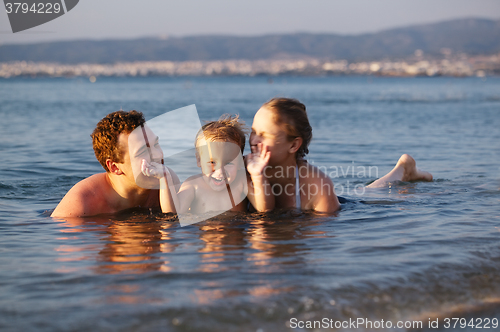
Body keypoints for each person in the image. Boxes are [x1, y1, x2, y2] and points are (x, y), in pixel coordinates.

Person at [247, 98, 433, 213]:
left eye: (264, 135)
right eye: (254, 131)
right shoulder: (245, 168)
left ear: (294, 145)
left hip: (342, 205)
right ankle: (401, 169)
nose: (254, 140)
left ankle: (403, 169)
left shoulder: (317, 185)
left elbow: (324, 235)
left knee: (372, 194)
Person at [51, 110, 179, 218]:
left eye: (156, 144)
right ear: (114, 167)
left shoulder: (166, 180)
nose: (158, 155)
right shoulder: (81, 204)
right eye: (143, 151)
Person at [141, 115, 266, 214]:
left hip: (234, 241)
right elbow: (173, 212)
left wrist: (258, 176)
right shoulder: (193, 185)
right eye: (212, 162)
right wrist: (164, 178)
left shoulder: (242, 182)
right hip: (205, 239)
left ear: (239, 162)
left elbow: (264, 209)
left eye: (228, 163)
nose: (220, 171)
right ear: (199, 160)